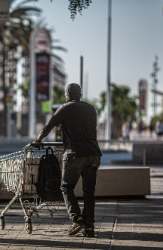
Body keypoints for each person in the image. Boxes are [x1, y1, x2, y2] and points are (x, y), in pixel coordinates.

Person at [33, 83, 102, 237]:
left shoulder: (65, 108)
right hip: (93, 154)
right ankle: (89, 228)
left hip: (74, 154)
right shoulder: (91, 109)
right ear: (80, 94)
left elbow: (48, 127)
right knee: (89, 192)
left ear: (68, 94)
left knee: (66, 187)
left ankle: (76, 218)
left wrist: (37, 140)